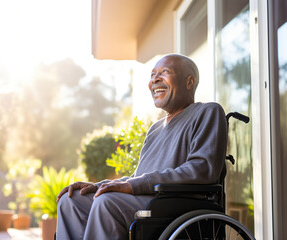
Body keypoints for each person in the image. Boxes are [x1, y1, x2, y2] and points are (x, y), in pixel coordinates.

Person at [56, 54, 228, 240]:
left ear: (189, 82)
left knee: (107, 202)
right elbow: (137, 178)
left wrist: (134, 185)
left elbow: (202, 170)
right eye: (153, 74)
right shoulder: (155, 129)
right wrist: (99, 186)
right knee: (71, 201)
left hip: (176, 203)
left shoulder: (208, 112)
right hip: (149, 198)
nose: (155, 79)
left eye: (164, 72)